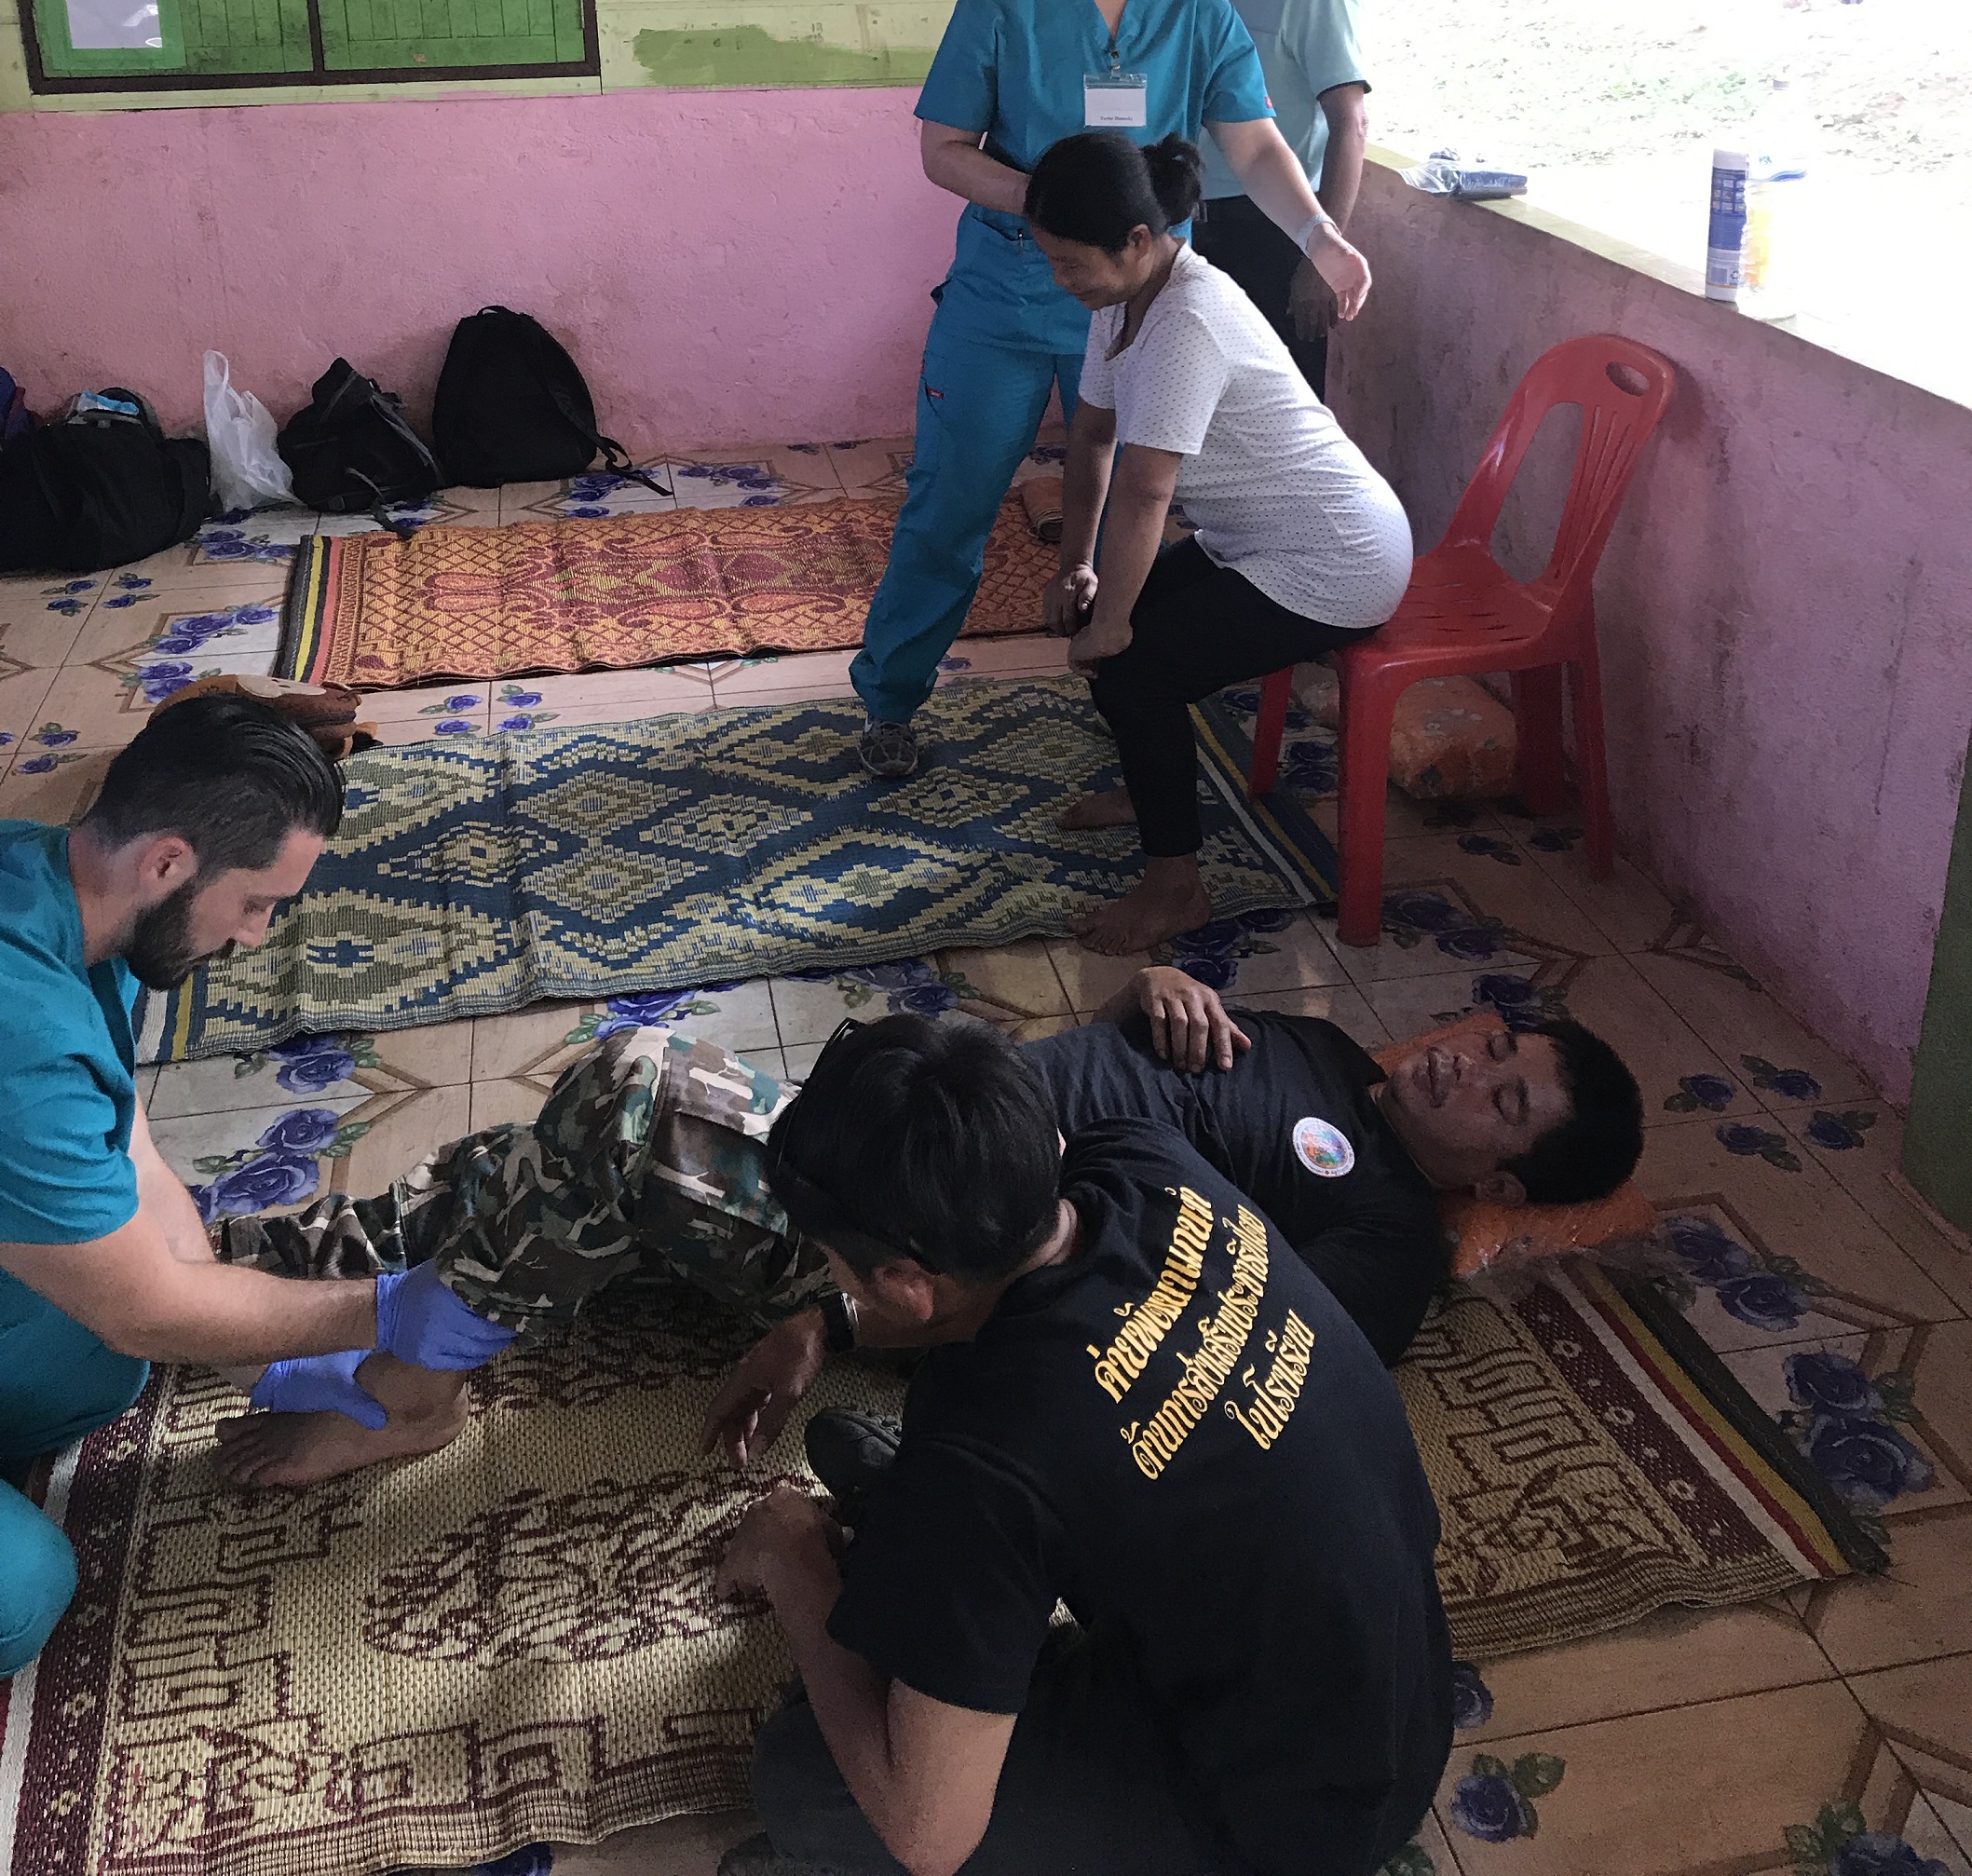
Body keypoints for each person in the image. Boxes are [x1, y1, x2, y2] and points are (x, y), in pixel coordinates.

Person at [212, 963, 1643, 1484]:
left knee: (629, 1093)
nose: (1467, 1062)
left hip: (950, 1253)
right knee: (541, 1165)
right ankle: (250, 1269)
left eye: (1504, 1101)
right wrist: (1147, 977)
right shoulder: (1320, 1050)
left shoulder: (1387, 1232)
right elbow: (1138, 1045)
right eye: (1495, 1044)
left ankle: (413, 1385)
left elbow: (1231, 1342)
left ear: (1503, 1189)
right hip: (926, 1133)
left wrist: (830, 1309)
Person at [714, 1012, 1454, 1876]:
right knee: (990, 1482)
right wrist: (829, 1331)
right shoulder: (1141, 1161)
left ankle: (925, 1561)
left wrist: (798, 1565)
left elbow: (930, 1836)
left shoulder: (984, 1448)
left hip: (1285, 1827)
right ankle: (940, 1559)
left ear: (909, 1285)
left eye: (834, 1262)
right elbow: (1005, 1328)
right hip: (1401, 1693)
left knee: (809, 1779)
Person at [851, 0, 1374, 784]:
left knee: (1139, 502)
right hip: (1007, 295)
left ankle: (1123, 707)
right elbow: (941, 151)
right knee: (952, 500)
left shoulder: (1196, 14)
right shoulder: (998, 10)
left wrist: (1320, 232)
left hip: (1139, 310)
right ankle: (891, 699)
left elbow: (1254, 143)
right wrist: (1045, 203)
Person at [0, 697, 516, 1677]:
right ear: (167, 861)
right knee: (22, 1594)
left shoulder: (64, 890)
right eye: (255, 902)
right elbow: (145, 1312)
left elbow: (130, 1160)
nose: (253, 938)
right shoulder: (16, 1038)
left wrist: (275, 1369)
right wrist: (384, 1310)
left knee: (106, 1367)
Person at [1027, 130, 1411, 951]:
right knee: (1109, 638)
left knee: (1132, 666)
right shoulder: (1121, 301)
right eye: (1052, 262)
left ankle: (1176, 886)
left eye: (1070, 264)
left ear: (1136, 240)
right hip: (1258, 539)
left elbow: (1146, 487)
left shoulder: (1188, 316)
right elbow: (1092, 439)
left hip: (1337, 558)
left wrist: (1115, 620)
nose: (1062, 282)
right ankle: (1151, 781)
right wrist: (1078, 568)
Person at [1162, 0, 1370, 400]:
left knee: (1279, 409)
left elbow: (1349, 123)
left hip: (1279, 232)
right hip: (1213, 227)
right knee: (1218, 407)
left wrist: (1319, 252)